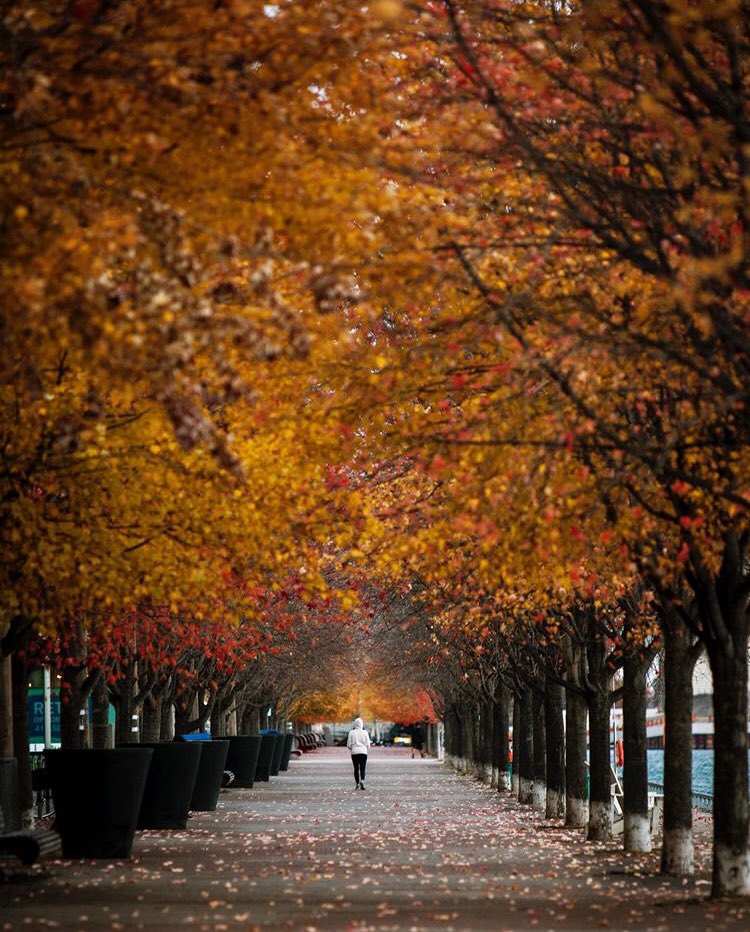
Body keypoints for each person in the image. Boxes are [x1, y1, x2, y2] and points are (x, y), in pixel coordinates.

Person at [346, 717, 371, 790]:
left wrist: (352, 748)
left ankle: (357, 783)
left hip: (354, 752)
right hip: (363, 752)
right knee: (363, 768)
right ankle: (362, 780)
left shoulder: (351, 732)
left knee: (356, 768)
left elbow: (348, 745)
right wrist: (365, 748)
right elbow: (368, 744)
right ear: (362, 724)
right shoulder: (365, 732)